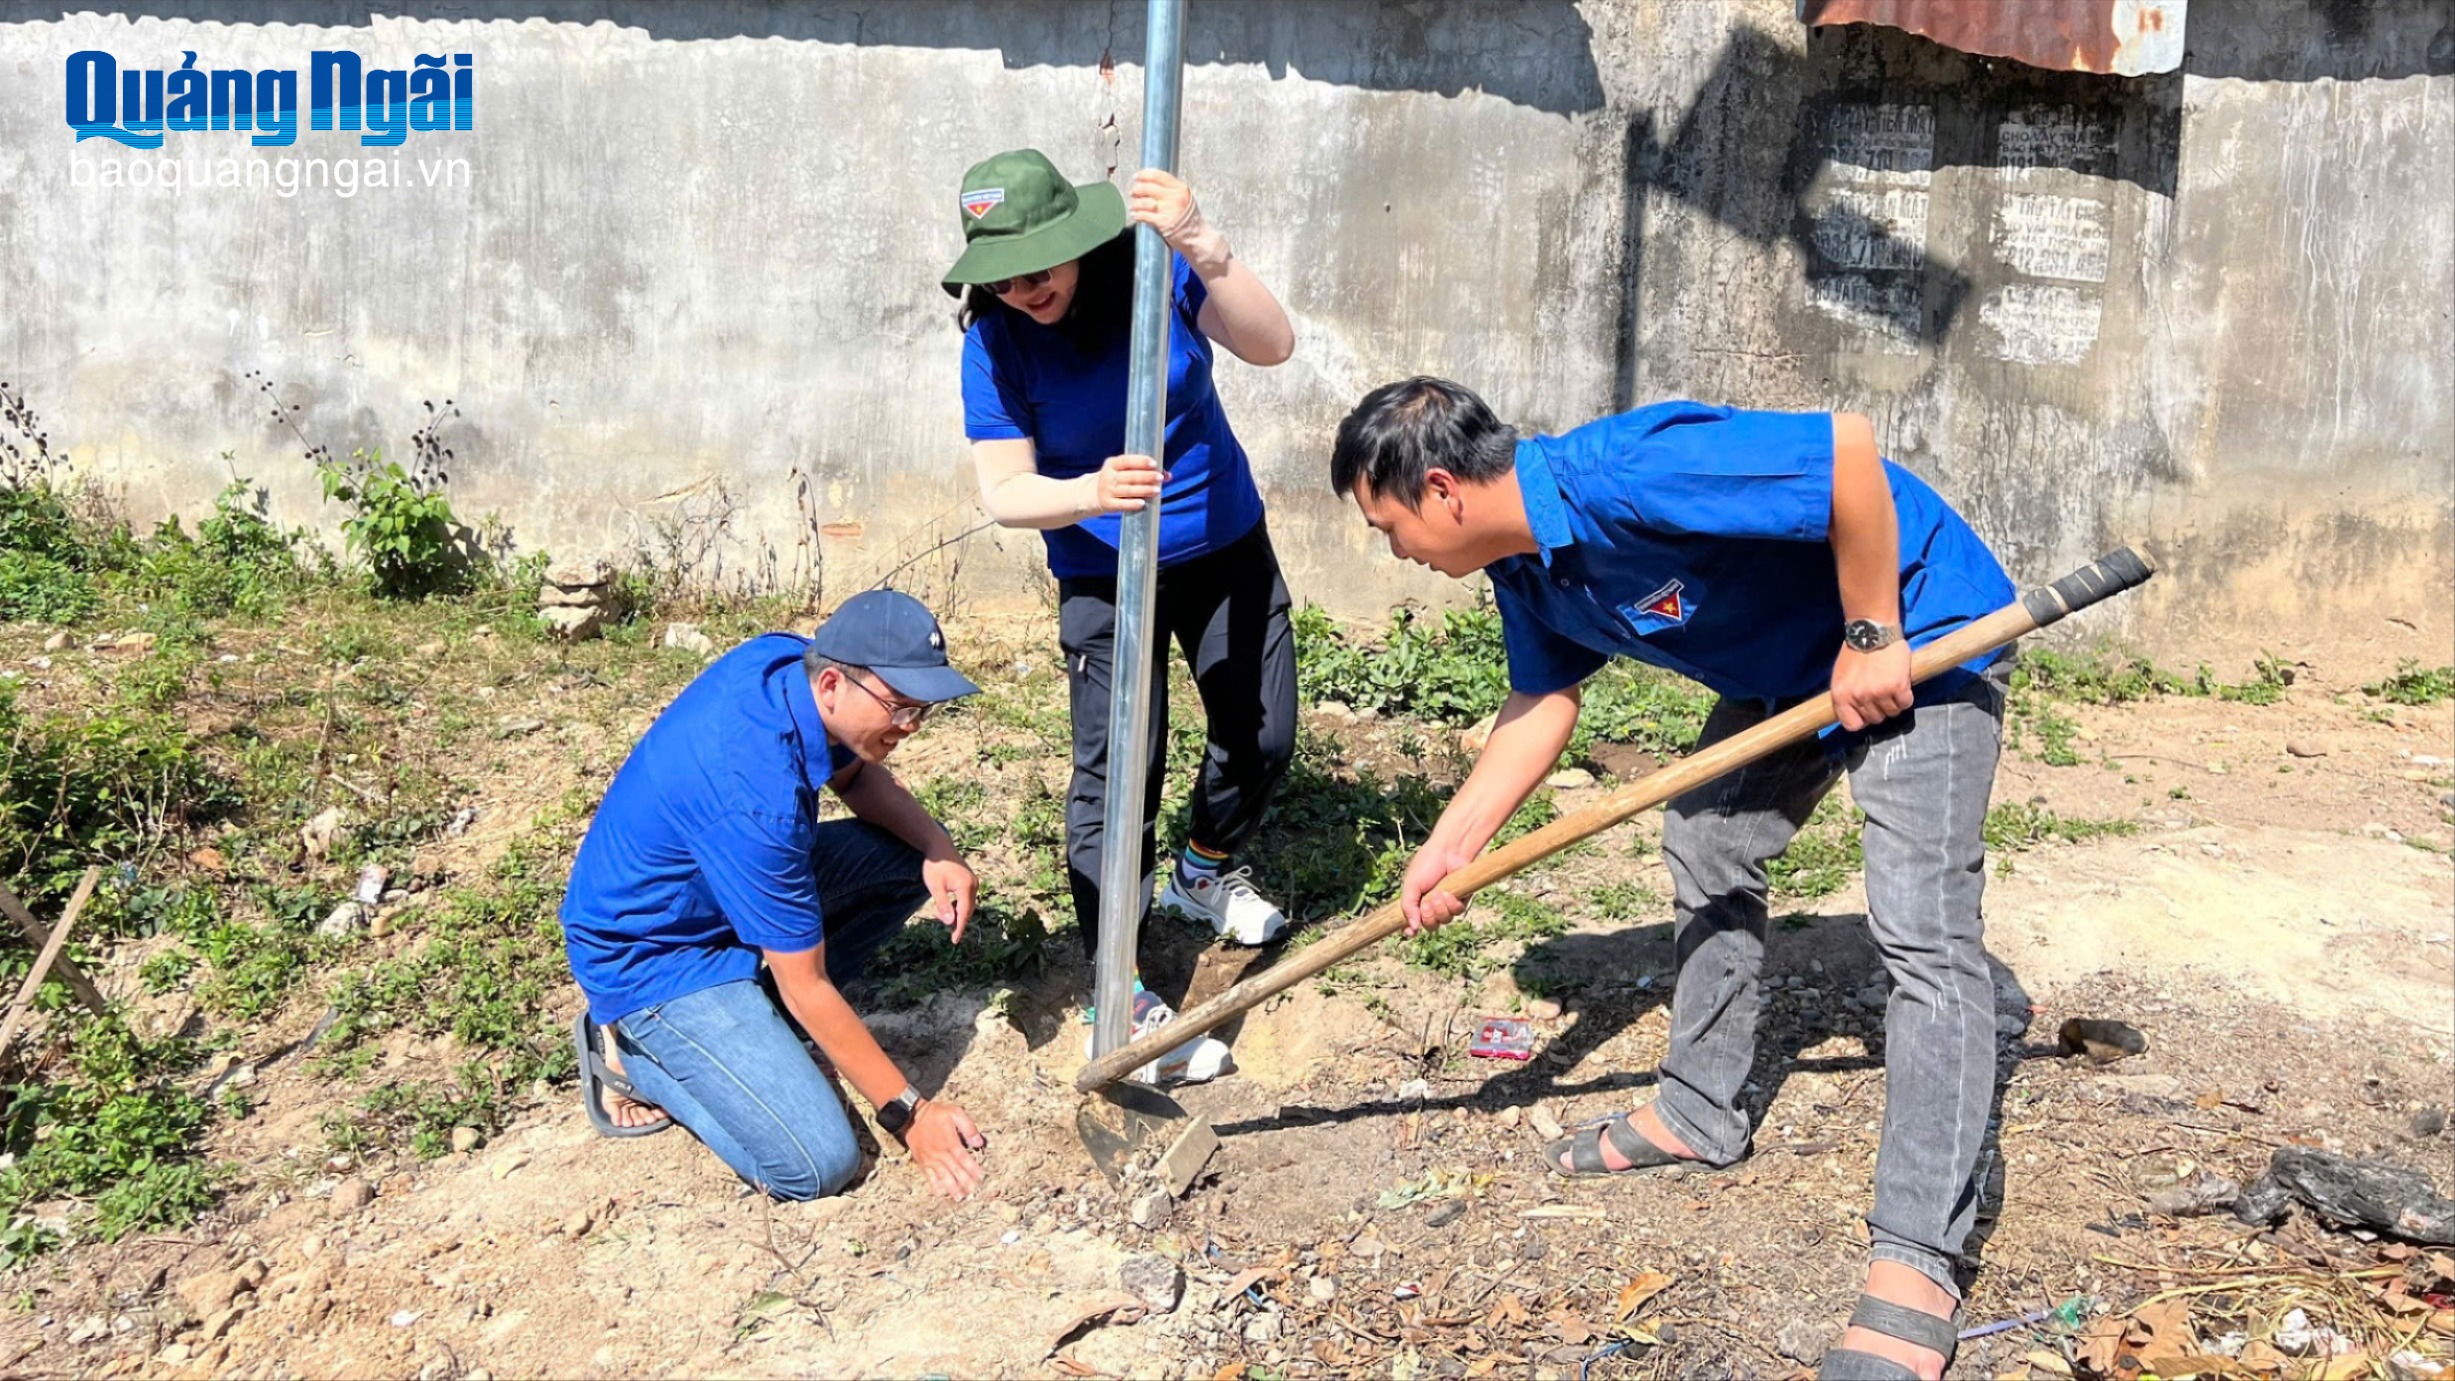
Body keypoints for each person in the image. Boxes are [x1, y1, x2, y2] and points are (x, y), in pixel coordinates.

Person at [1328, 377, 2018, 1381]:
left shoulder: (1628, 471)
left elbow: (1848, 457)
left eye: (1389, 528)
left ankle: (1916, 1264)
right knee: (1707, 842)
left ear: (1441, 491)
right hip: (1791, 668)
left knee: (1921, 929)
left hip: (1921, 627)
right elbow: (1542, 694)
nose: (1396, 551)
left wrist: (1872, 633)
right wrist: (1452, 846)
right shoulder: (1526, 567)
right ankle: (1700, 1109)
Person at [942, 147, 1300, 1083]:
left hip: (1224, 545)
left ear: (1077, 242)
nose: (1024, 290)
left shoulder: (1153, 273)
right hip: (1102, 573)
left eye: (1039, 269)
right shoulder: (996, 344)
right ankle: (1118, 983)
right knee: (1117, 773)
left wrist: (1204, 245)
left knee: (1261, 736)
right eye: (1003, 276)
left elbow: (1271, 344)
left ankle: (1202, 869)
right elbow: (1005, 490)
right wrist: (1089, 491)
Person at [559, 589, 991, 1202]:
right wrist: (912, 1116)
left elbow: (854, 774)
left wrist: (939, 849)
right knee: (815, 1163)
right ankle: (639, 1053)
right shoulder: (753, 798)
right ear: (834, 683)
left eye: (923, 709)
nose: (910, 727)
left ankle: (752, 1029)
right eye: (899, 707)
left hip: (714, 890)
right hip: (654, 956)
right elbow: (807, 983)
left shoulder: (789, 667)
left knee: (906, 859)